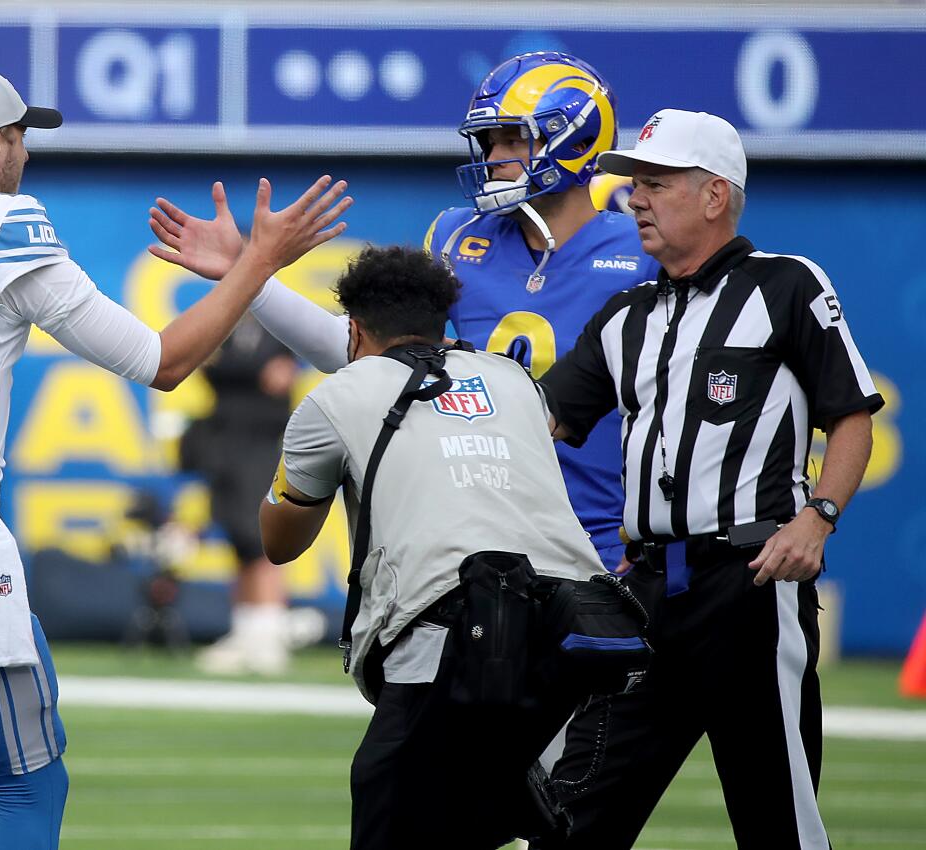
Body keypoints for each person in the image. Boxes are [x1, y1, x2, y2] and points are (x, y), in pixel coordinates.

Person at [0, 66, 350, 850]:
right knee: (30, 787)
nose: (27, 156)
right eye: (23, 140)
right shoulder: (0, 227)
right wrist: (257, 261)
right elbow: (163, 360)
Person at [147, 52, 659, 570]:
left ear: (573, 138)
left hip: (597, 533)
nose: (495, 155)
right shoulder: (458, 236)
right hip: (476, 536)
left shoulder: (642, 251)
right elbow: (358, 350)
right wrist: (247, 275)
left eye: (511, 138)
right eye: (490, 141)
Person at [536, 109, 883, 850]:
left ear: (715, 194)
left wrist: (818, 517)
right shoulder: (625, 313)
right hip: (649, 589)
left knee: (777, 819)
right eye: (634, 184)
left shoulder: (785, 286)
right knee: (570, 816)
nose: (635, 199)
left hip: (748, 584)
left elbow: (851, 415)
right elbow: (546, 419)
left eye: (655, 184)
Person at [257, 245, 609, 850]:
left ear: (355, 330)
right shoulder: (515, 381)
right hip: (574, 629)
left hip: (452, 634)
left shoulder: (341, 393)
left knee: (388, 820)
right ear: (444, 320)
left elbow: (280, 541)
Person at [181, 316, 326, 675]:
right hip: (225, 442)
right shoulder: (229, 328)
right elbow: (201, 363)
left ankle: (269, 633)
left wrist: (234, 373)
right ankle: (246, 631)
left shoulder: (278, 330)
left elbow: (278, 379)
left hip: (260, 445)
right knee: (237, 538)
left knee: (259, 537)